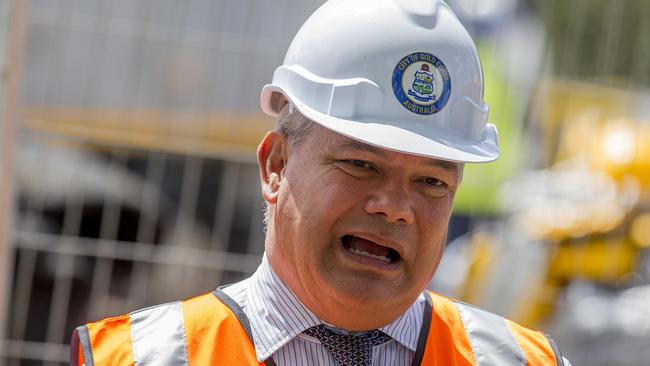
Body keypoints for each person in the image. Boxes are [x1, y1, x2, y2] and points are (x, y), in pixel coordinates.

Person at [70, 0, 571, 365]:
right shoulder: (139, 359)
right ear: (276, 165)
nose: (395, 206)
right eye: (360, 164)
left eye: (431, 182)